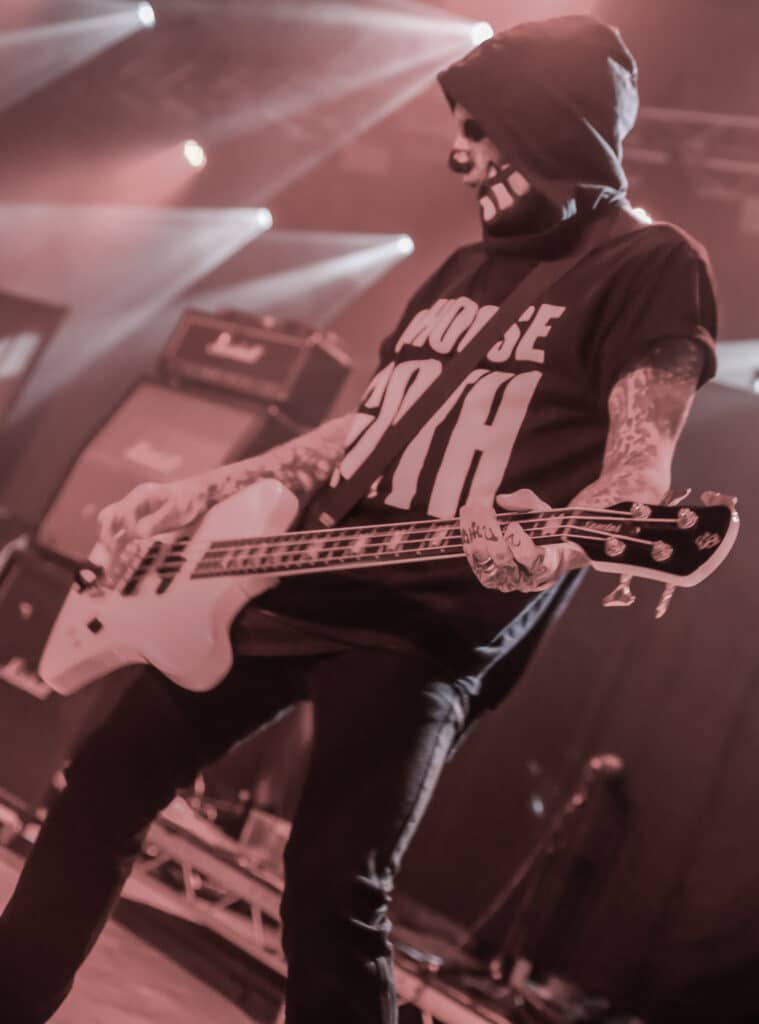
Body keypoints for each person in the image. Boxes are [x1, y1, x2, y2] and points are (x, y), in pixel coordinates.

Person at [0, 14, 717, 1024]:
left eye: (482, 127)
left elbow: (637, 478)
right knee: (102, 784)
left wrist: (557, 541)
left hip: (423, 626)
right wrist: (203, 488)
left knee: (332, 889)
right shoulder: (461, 270)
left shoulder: (651, 263)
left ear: (556, 123)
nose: (460, 154)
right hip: (301, 576)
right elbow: (370, 427)